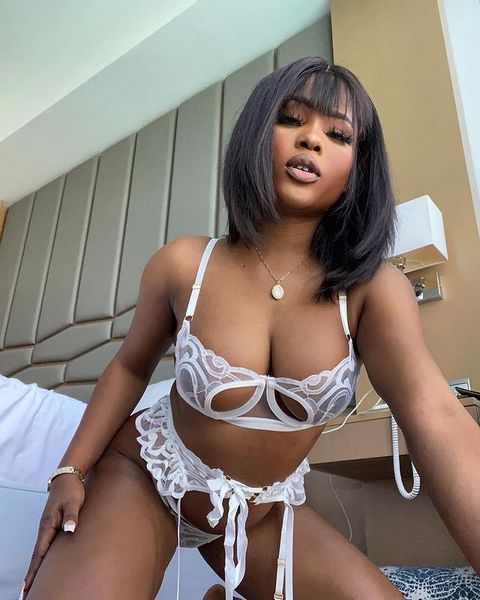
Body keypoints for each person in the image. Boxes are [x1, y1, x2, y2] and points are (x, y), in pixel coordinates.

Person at [21, 56, 480, 600]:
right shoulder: (183, 265)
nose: (311, 139)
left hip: (262, 510)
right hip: (148, 477)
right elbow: (128, 367)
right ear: (258, 133)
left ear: (357, 169)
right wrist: (70, 470)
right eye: (292, 119)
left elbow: (436, 414)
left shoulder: (372, 290)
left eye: (338, 134)